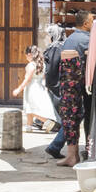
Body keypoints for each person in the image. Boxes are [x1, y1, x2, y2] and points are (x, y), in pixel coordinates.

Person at [55, 11, 93, 167]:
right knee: (89, 117)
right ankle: (89, 151)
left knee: (71, 118)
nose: (93, 23)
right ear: (85, 23)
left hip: (69, 86)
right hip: (83, 84)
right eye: (91, 20)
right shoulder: (88, 40)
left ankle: (73, 155)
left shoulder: (70, 40)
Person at [13, 45, 57, 131]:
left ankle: (47, 122)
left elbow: (28, 79)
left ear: (29, 54)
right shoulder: (42, 64)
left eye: (26, 55)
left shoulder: (31, 65)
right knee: (30, 106)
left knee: (30, 109)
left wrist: (19, 89)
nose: (26, 57)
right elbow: (44, 78)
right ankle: (28, 126)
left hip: (31, 88)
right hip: (39, 87)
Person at [41, 24, 68, 159]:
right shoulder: (58, 49)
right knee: (68, 120)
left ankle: (57, 146)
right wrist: (58, 87)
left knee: (66, 120)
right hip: (59, 89)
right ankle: (55, 146)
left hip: (55, 88)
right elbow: (52, 72)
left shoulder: (52, 48)